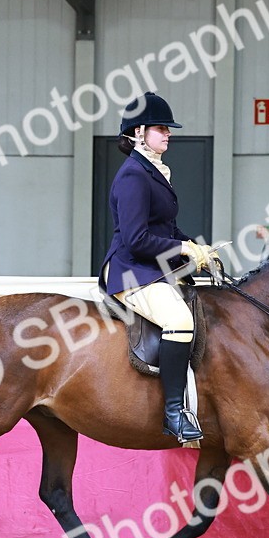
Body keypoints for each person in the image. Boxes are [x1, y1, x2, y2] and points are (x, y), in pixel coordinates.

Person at [98, 91, 218, 444]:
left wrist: (197, 248)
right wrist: (182, 248)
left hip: (150, 267)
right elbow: (136, 240)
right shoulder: (134, 176)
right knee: (179, 320)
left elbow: (163, 229)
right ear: (138, 133)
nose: (168, 134)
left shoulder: (153, 171)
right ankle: (174, 414)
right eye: (161, 128)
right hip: (130, 269)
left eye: (168, 129)